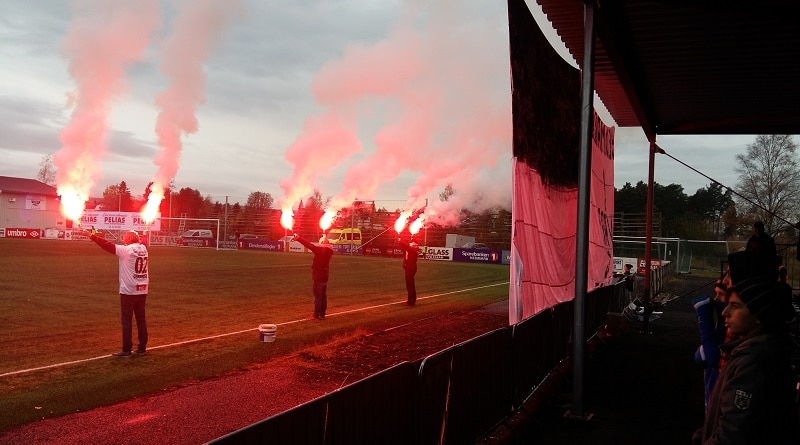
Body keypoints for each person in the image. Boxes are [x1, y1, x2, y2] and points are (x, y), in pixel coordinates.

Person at [693, 275, 799, 444]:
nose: (724, 312)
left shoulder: (752, 363)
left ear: (759, 316)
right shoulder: (759, 351)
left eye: (734, 306)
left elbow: (731, 434)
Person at [80, 227, 149, 357]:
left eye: (124, 238)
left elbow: (107, 245)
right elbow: (143, 241)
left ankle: (127, 350)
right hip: (142, 289)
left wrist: (91, 235)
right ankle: (142, 347)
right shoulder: (144, 249)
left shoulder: (126, 250)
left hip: (129, 290)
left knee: (127, 321)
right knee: (141, 319)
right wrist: (144, 233)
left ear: (128, 239)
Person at [691, 277, 728, 410]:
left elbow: (711, 357)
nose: (716, 299)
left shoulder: (733, 331)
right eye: (716, 293)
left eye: (721, 295)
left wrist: (704, 316)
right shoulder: (722, 326)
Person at [293, 232, 334, 320]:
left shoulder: (320, 250)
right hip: (325, 276)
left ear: (322, 243)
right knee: (323, 296)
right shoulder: (329, 251)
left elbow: (309, 245)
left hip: (318, 276)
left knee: (318, 297)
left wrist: (299, 238)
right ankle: (322, 314)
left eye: (320, 242)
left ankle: (316, 315)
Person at [397, 238, 420, 306]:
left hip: (410, 268)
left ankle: (411, 301)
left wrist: (400, 240)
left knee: (410, 285)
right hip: (411, 268)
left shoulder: (412, 250)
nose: (410, 244)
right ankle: (411, 300)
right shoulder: (413, 250)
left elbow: (406, 246)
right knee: (410, 285)